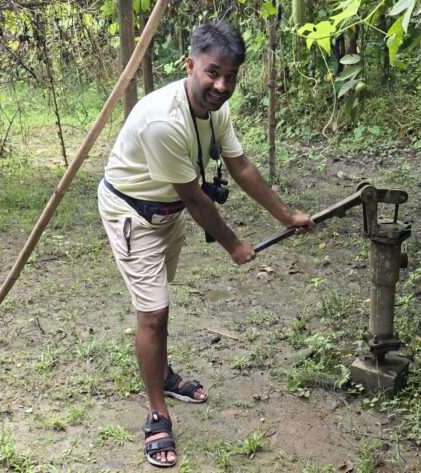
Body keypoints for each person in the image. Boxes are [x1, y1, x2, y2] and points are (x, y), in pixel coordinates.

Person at [97, 21, 315, 468]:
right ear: (190, 64)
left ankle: (163, 372)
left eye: (231, 76)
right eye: (213, 72)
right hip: (133, 214)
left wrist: (286, 215)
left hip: (167, 212)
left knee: (159, 303)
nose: (221, 85)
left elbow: (241, 166)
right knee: (153, 313)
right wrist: (234, 244)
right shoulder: (163, 120)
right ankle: (157, 413)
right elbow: (197, 198)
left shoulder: (217, 110)